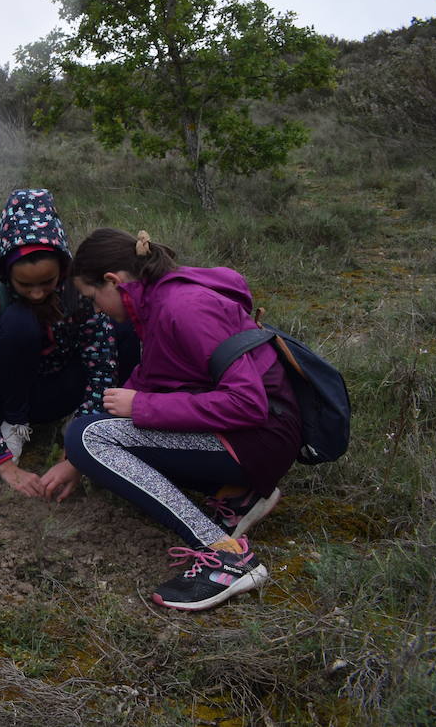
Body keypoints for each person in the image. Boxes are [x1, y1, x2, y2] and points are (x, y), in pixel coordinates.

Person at [59, 228, 297, 611]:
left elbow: (248, 403)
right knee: (89, 436)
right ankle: (238, 495)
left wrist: (140, 409)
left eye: (93, 298)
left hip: (260, 436)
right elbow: (151, 379)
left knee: (90, 436)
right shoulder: (157, 303)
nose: (98, 310)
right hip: (249, 438)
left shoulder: (184, 307)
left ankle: (225, 556)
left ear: (112, 281)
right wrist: (75, 461)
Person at [0, 189, 136, 498]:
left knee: (123, 325)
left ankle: (84, 424)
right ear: (6, 272)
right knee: (18, 323)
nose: (38, 293)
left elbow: (102, 365)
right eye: (25, 284)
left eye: (47, 282)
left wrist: (82, 446)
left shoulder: (78, 290)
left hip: (65, 387)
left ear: (62, 269)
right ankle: (15, 427)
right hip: (13, 392)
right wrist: (0, 461)